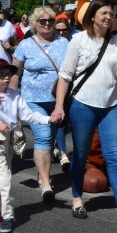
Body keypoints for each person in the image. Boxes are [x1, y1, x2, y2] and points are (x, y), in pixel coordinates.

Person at [50, 0, 117, 226]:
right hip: (82, 105)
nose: (108, 17)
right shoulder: (79, 41)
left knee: (113, 157)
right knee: (81, 155)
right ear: (92, 16)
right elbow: (64, 77)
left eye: (111, 14)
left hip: (110, 107)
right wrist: (58, 107)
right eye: (103, 13)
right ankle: (76, 198)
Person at [0, 59, 54, 233]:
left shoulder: (15, 95)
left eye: (8, 74)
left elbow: (28, 116)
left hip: (10, 138)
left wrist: (48, 119)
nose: (6, 78)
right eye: (1, 75)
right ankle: (8, 215)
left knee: (3, 174)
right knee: (5, 177)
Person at [10, 7, 68, 202]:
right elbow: (14, 73)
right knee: (43, 137)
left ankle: (43, 173)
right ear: (35, 24)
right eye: (42, 21)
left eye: (50, 21)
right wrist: (10, 99)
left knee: (50, 139)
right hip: (33, 100)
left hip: (58, 100)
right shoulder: (25, 45)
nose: (47, 24)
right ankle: (46, 183)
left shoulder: (63, 43)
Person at [51, 17, 72, 167]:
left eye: (64, 29)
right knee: (53, 122)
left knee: (62, 122)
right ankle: (61, 152)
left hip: (67, 88)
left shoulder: (72, 43)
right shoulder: (49, 43)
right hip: (49, 89)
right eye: (58, 30)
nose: (61, 32)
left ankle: (59, 149)